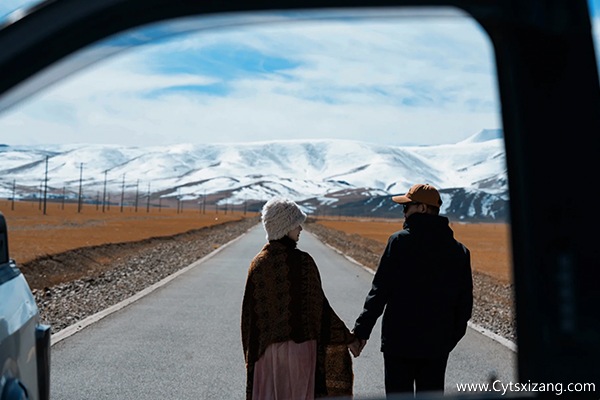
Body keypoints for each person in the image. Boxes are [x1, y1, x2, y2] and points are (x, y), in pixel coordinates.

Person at [352, 183, 473, 398]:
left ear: (422, 208)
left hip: (399, 345)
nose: (404, 212)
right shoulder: (459, 251)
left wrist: (361, 333)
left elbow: (380, 292)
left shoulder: (399, 242)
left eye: (407, 207)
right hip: (436, 348)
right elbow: (464, 306)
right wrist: (447, 341)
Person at [241, 197, 362, 400]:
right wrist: (349, 339)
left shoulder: (258, 265)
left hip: (266, 357)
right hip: (301, 353)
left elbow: (249, 319)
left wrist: (252, 356)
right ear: (285, 226)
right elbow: (321, 309)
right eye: (297, 224)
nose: (300, 229)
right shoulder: (304, 262)